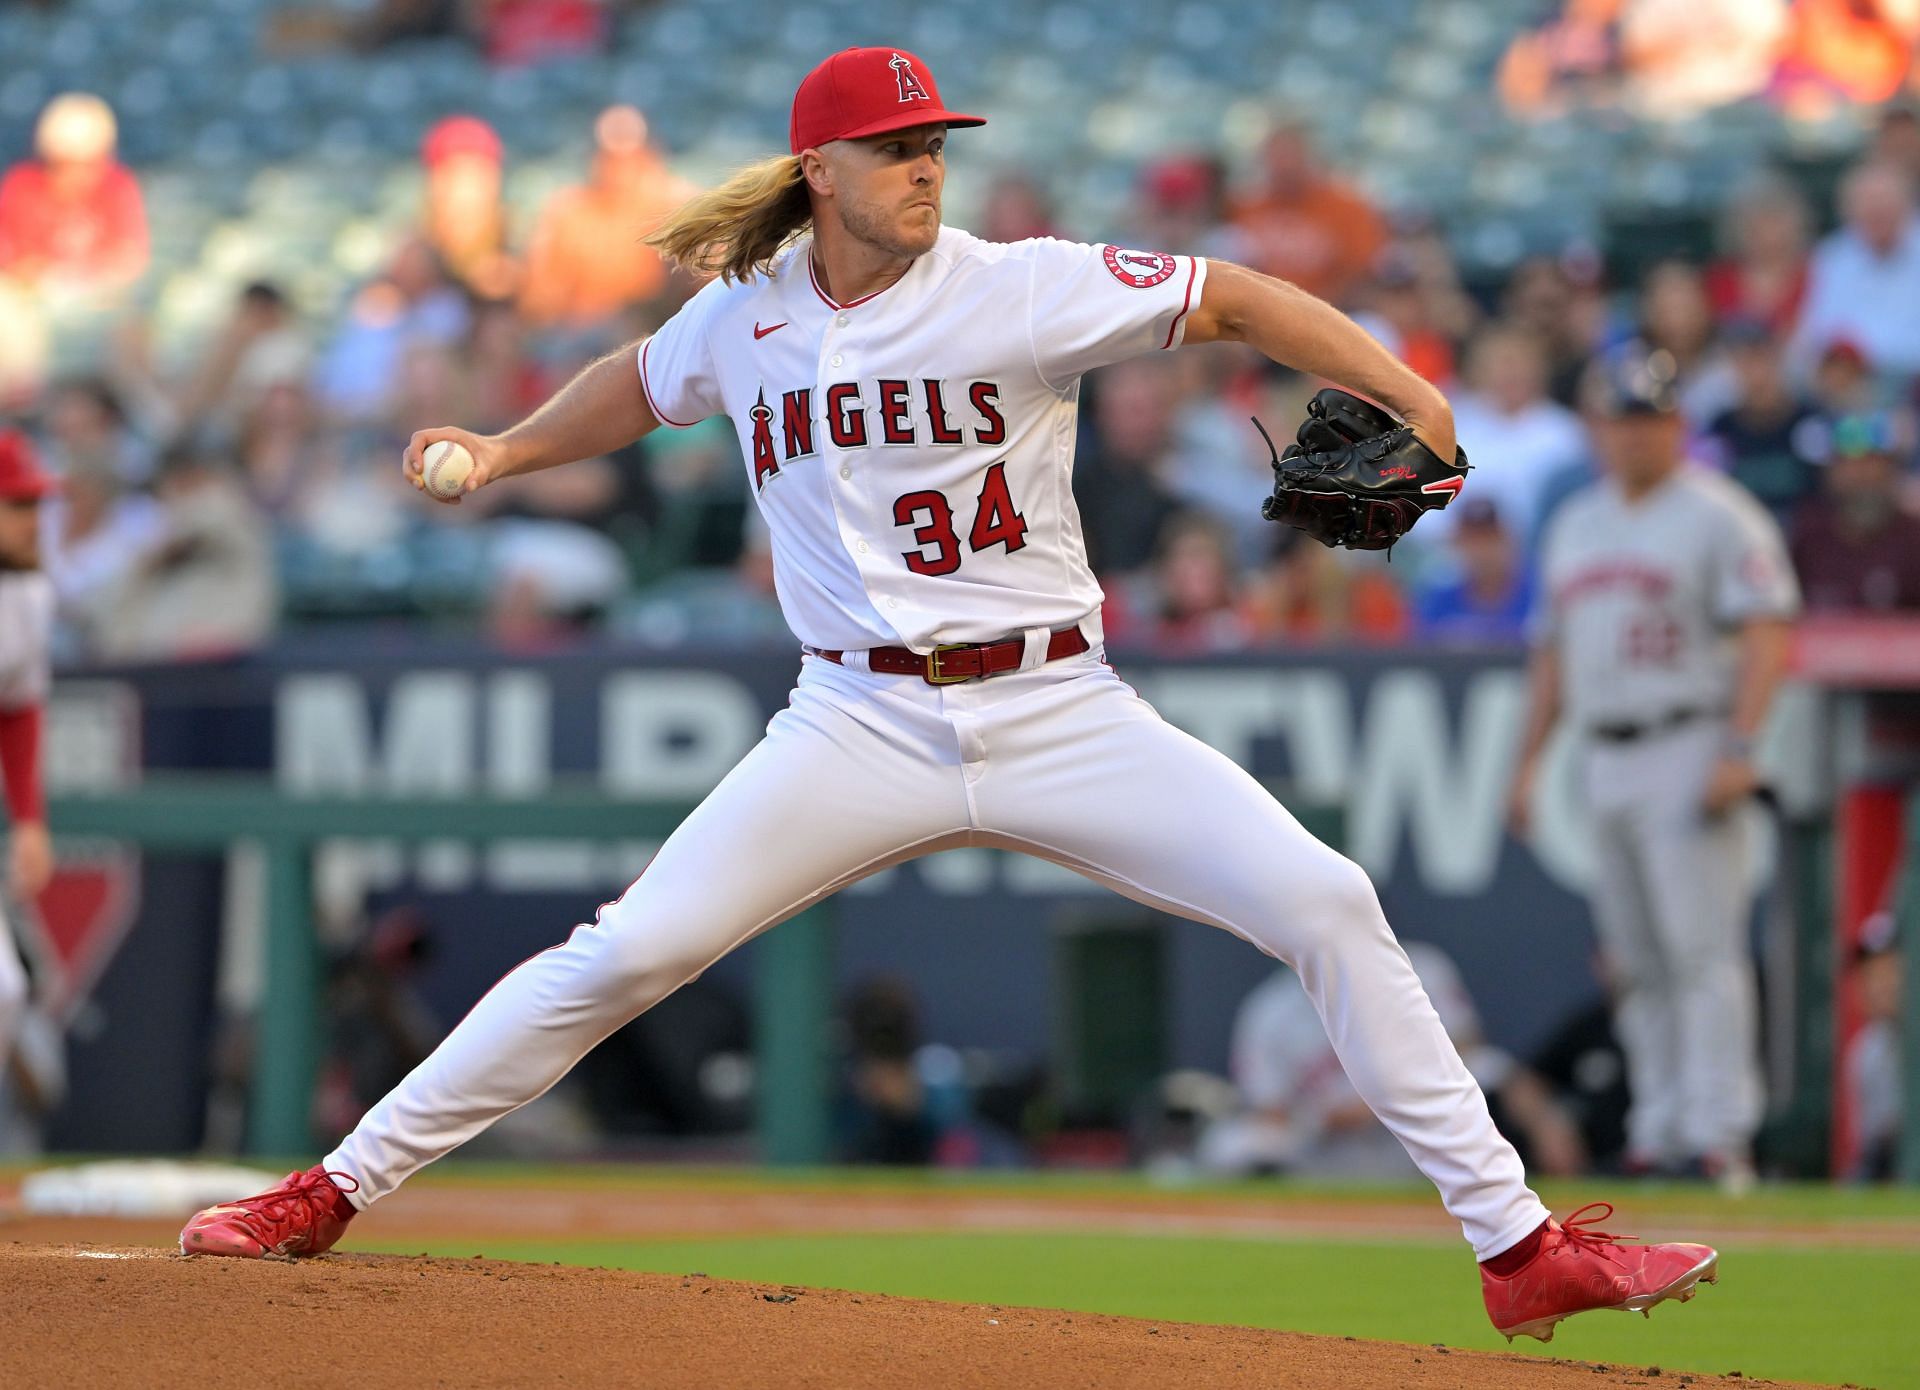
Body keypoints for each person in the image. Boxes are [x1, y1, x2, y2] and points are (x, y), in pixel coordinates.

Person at [182, 46, 1720, 1346]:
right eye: (898, 148)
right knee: (628, 949)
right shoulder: (749, 311)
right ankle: (328, 1188)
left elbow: (1236, 293)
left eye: (936, 145)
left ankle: (1518, 1252)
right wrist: (509, 452)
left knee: (1326, 898)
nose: (928, 169)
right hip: (852, 722)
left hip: (1061, 708)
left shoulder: (1022, 288)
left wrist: (1412, 389)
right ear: (821, 169)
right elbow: (642, 384)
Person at [1512, 345, 1799, 1190]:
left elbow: (1769, 630)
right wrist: (1526, 766)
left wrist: (1741, 747)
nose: (1634, 435)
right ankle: (1659, 1124)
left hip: (1688, 737)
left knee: (1700, 950)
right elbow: (1551, 657)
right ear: (1597, 427)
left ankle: (1719, 1135)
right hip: (1605, 750)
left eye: (1648, 418)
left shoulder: (1720, 514)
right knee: (1636, 957)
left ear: (1675, 425)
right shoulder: (1576, 523)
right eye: (1619, 419)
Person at [518, 105, 697, 330]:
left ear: (650, 155)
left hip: (657, 335)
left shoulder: (675, 206)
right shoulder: (568, 213)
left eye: (631, 159)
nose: (620, 171)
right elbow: (538, 302)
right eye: (610, 159)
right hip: (581, 337)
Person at [0, 432, 57, 1116]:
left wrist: (31, 820)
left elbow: (16, 709)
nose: (33, 520)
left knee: (5, 993)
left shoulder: (28, 596)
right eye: (18, 505)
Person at [0, 92, 148, 295]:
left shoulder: (117, 185)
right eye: (64, 163)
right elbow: (16, 261)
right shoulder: (23, 185)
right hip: (33, 300)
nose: (76, 174)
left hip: (100, 301)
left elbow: (129, 257)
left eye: (87, 164)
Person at [1789, 160, 1920, 384]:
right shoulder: (1830, 258)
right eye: (1867, 202)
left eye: (1886, 201)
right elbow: (1811, 338)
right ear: (1847, 210)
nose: (1877, 210)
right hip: (1846, 386)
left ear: (1908, 205)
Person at [1788, 408, 1920, 612]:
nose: (1859, 474)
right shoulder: (1808, 537)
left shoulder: (1912, 539)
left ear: (1891, 468)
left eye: (1870, 461)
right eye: (1847, 462)